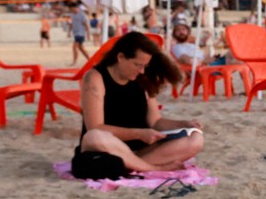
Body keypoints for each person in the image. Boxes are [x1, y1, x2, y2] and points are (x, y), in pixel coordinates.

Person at [72, 32, 204, 177]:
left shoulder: (142, 79)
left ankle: (132, 165)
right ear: (121, 57)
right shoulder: (95, 77)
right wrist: (138, 133)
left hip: (139, 150)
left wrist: (184, 124)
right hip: (106, 148)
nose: (141, 70)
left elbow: (155, 121)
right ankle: (154, 168)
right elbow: (95, 127)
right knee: (95, 136)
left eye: (145, 66)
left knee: (195, 138)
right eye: (137, 65)